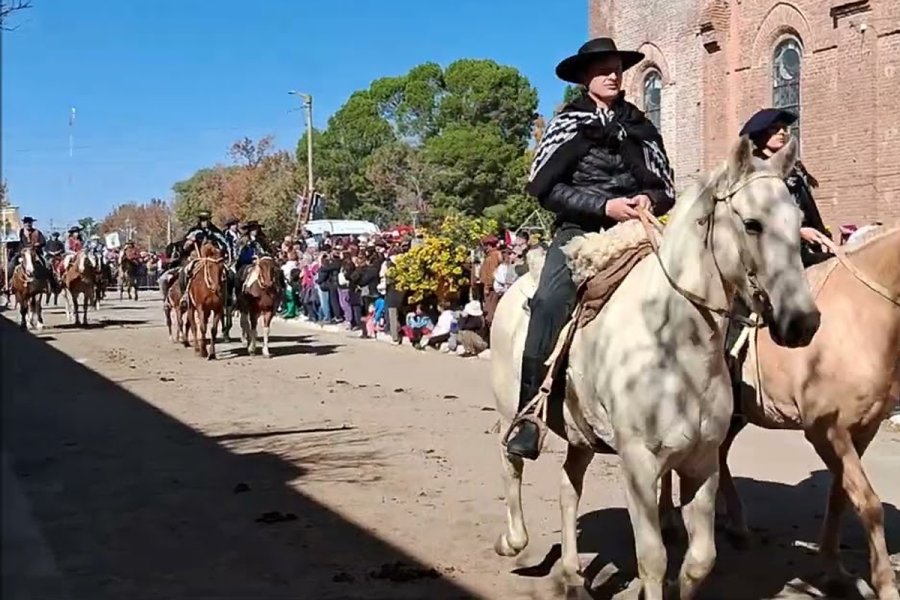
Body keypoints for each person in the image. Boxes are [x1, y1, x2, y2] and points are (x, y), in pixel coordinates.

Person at [505, 37, 676, 461]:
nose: (613, 74)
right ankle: (530, 414)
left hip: (639, 228)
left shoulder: (640, 125)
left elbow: (665, 185)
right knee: (547, 302)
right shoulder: (567, 122)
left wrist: (647, 202)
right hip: (579, 231)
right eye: (602, 68)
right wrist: (603, 205)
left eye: (617, 67)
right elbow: (545, 189)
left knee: (692, 284)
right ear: (585, 78)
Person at [739, 108, 832, 268]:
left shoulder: (794, 168)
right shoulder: (754, 172)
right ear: (761, 135)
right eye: (774, 129)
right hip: (773, 254)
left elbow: (809, 209)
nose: (782, 133)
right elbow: (756, 218)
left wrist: (823, 237)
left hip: (806, 247)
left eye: (784, 129)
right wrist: (799, 233)